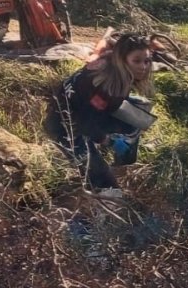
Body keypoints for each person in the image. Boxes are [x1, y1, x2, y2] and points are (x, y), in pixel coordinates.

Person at [47, 30, 162, 194]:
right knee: (108, 188)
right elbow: (85, 124)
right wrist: (109, 141)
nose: (143, 67)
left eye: (147, 61)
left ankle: (122, 168)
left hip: (84, 111)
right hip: (66, 128)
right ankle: (102, 194)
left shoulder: (110, 61)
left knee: (139, 114)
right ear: (122, 60)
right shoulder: (107, 87)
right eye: (137, 61)